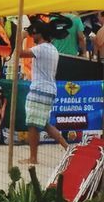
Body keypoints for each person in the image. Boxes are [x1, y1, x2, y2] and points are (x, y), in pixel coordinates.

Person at [17, 23, 69, 165]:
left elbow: (19, 54)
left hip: (39, 89)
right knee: (44, 123)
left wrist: (20, 37)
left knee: (33, 124)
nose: (32, 36)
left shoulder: (41, 49)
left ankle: (33, 158)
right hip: (49, 89)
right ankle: (68, 147)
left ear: (40, 34)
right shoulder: (52, 49)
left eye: (34, 33)